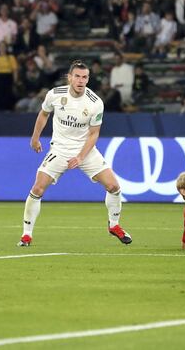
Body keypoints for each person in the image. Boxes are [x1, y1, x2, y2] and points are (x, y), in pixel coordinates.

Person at [18, 60, 132, 247]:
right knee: (38, 188)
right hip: (59, 150)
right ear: (69, 77)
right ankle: (26, 235)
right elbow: (44, 114)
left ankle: (114, 225)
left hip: (85, 150)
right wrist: (35, 138)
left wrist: (80, 157)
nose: (81, 80)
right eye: (77, 76)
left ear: (88, 79)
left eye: (84, 77)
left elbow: (94, 134)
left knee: (113, 186)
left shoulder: (95, 103)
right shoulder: (55, 95)